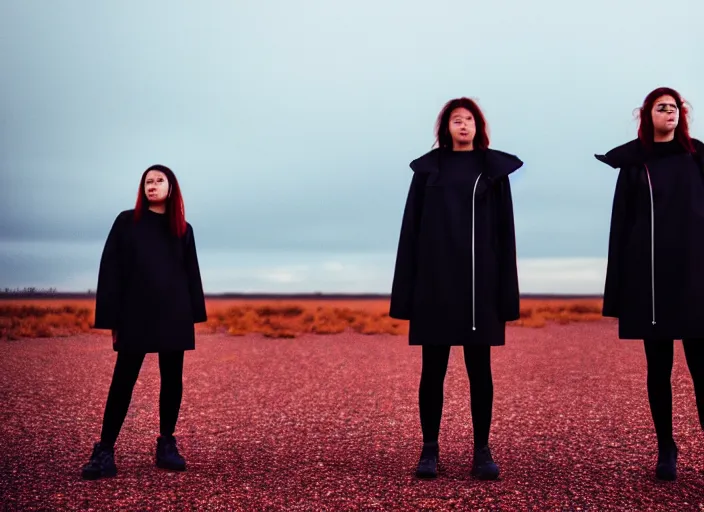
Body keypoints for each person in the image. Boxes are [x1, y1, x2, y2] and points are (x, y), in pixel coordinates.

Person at [389, 97, 523, 480]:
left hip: (480, 288)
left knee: (480, 370)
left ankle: (482, 451)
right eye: (455, 120)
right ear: (445, 127)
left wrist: (504, 296)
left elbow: (505, 235)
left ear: (478, 126)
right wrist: (408, 293)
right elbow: (410, 232)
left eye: (469, 120)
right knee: (433, 371)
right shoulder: (428, 170)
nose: (463, 125)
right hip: (434, 286)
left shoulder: (493, 171)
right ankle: (429, 450)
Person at [595, 87, 704, 481]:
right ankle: (666, 448)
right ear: (648, 115)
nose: (670, 114)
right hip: (651, 285)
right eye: (662, 108)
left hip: (695, 281)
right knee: (659, 370)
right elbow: (621, 227)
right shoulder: (634, 164)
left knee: (701, 369)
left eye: (675, 108)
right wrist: (621, 290)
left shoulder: (698, 156)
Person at [81, 164, 207, 480]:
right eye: (147, 182)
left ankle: (166, 445)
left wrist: (193, 315)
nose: (152, 186)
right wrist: (111, 319)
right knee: (123, 380)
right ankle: (105, 450)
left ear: (171, 187)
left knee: (172, 378)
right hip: (134, 313)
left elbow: (191, 272)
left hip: (173, 314)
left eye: (158, 181)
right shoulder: (127, 222)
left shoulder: (183, 228)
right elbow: (110, 269)